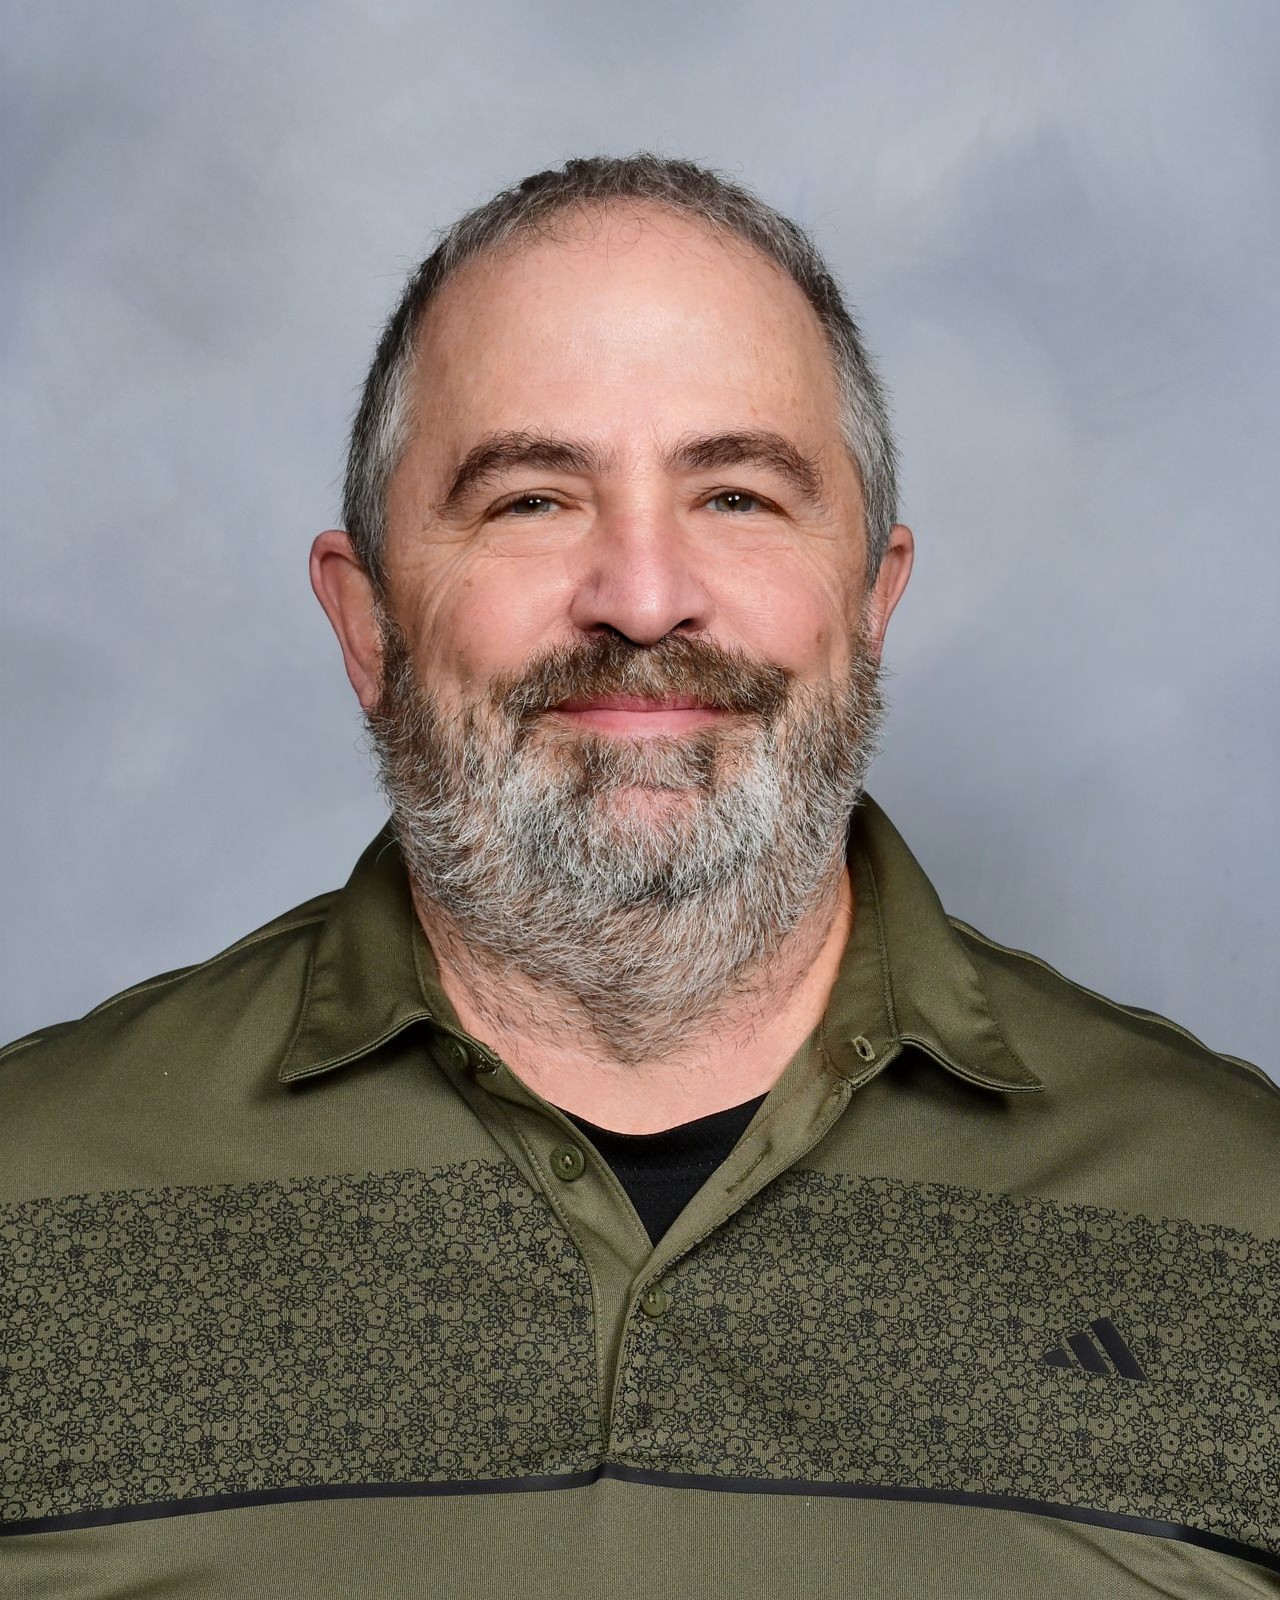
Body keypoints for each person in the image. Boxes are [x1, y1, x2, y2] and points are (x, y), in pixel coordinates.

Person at [1, 155, 1275, 1599]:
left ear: (871, 604)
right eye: (534, 500)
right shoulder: (25, 1202)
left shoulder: (1243, 1218)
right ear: (367, 625)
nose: (645, 596)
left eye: (736, 495)